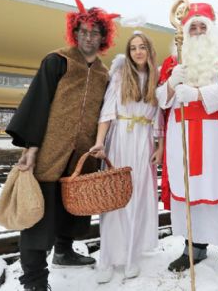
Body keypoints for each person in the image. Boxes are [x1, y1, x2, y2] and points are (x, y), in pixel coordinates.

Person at [5, 0, 118, 291]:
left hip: (82, 156)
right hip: (49, 152)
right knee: (38, 217)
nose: (88, 37)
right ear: (75, 32)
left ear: (103, 37)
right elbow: (38, 103)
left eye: (95, 33)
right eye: (83, 31)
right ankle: (34, 280)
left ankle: (64, 252)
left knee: (72, 210)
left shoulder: (106, 74)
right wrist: (31, 149)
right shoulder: (58, 61)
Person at [156, 2, 218, 282]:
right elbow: (161, 100)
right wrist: (172, 83)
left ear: (211, 30)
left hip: (217, 142)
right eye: (192, 27)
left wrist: (197, 95)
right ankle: (193, 249)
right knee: (190, 194)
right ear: (184, 32)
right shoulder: (173, 64)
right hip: (181, 139)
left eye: (202, 26)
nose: (197, 31)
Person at [89, 32, 163, 283]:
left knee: (137, 200)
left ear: (149, 50)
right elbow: (107, 112)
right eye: (133, 48)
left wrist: (160, 145)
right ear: (128, 53)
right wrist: (100, 142)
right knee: (113, 201)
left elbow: (159, 116)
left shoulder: (155, 78)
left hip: (143, 143)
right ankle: (107, 259)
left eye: (142, 47)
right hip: (120, 140)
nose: (138, 52)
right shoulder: (120, 75)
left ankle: (132, 256)